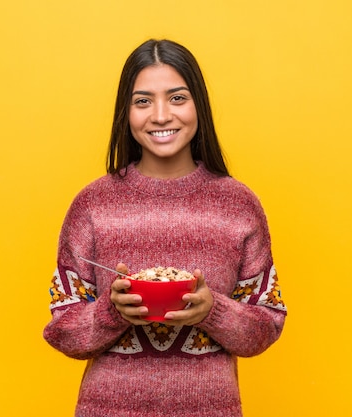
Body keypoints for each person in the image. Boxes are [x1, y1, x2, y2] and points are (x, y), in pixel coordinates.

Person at [43, 39, 286, 417]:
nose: (160, 116)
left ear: (198, 106)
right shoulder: (93, 205)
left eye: (177, 98)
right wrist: (112, 312)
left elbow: (266, 327)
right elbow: (61, 331)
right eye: (143, 101)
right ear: (126, 112)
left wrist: (212, 309)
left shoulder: (238, 205)